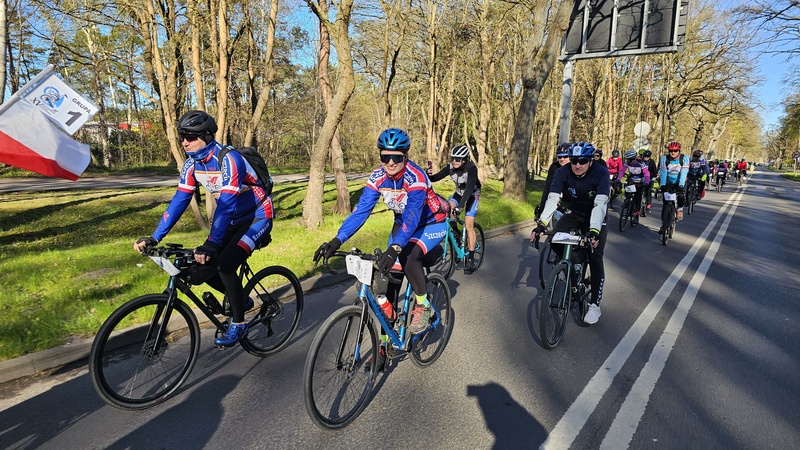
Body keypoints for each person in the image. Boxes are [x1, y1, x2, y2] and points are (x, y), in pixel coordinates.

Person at [133, 110, 274, 347]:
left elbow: (226, 204)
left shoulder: (229, 159)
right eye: (182, 137)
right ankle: (240, 299)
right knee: (200, 268)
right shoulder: (192, 165)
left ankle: (239, 324)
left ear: (207, 136)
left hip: (257, 216)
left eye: (190, 137)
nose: (184, 142)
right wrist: (155, 237)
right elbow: (179, 201)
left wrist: (212, 242)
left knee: (225, 263)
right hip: (231, 219)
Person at [315, 128, 449, 342]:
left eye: (397, 157)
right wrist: (337, 240)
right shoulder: (378, 177)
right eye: (385, 157)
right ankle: (386, 343)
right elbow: (361, 212)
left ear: (405, 156)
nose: (391, 162)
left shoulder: (416, 177)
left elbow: (412, 217)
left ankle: (423, 305)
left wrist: (395, 248)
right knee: (390, 278)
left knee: (408, 256)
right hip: (402, 224)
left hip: (430, 222)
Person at [531, 141, 610, 324]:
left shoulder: (601, 173)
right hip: (575, 214)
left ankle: (595, 304)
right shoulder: (563, 172)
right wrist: (541, 224)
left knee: (595, 256)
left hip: (596, 216)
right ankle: (575, 261)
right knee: (555, 239)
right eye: (574, 161)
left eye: (582, 161)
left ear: (590, 161)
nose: (577, 165)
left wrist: (594, 231)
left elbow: (600, 204)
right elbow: (552, 198)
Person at [428, 144, 483, 273]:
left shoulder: (471, 169)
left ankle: (470, 258)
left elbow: (469, 189)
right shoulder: (451, 168)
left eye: (458, 159)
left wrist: (460, 207)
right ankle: (456, 235)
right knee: (447, 210)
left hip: (472, 195)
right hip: (459, 193)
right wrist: (428, 175)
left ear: (464, 159)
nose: (454, 161)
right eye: (452, 158)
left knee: (469, 225)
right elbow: (435, 178)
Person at [535, 142, 572, 218]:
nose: (562, 159)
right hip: (560, 198)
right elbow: (548, 187)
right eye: (559, 157)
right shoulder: (554, 167)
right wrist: (543, 205)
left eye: (565, 156)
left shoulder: (577, 167)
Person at [658, 141, 689, 231]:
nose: (673, 153)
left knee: (681, 195)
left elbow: (684, 172)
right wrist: (662, 185)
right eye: (671, 151)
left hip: (680, 182)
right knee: (665, 204)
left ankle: (679, 209)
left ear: (679, 151)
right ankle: (663, 225)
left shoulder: (684, 159)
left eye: (675, 151)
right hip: (668, 182)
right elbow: (663, 172)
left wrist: (681, 185)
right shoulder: (664, 158)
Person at [616, 149, 650, 222]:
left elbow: (646, 173)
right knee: (628, 193)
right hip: (632, 179)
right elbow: (622, 171)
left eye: (628, 159)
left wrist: (647, 181)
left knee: (638, 198)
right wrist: (618, 179)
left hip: (640, 181)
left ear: (632, 159)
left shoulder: (641, 163)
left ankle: (636, 214)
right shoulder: (627, 163)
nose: (627, 160)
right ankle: (627, 203)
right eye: (626, 159)